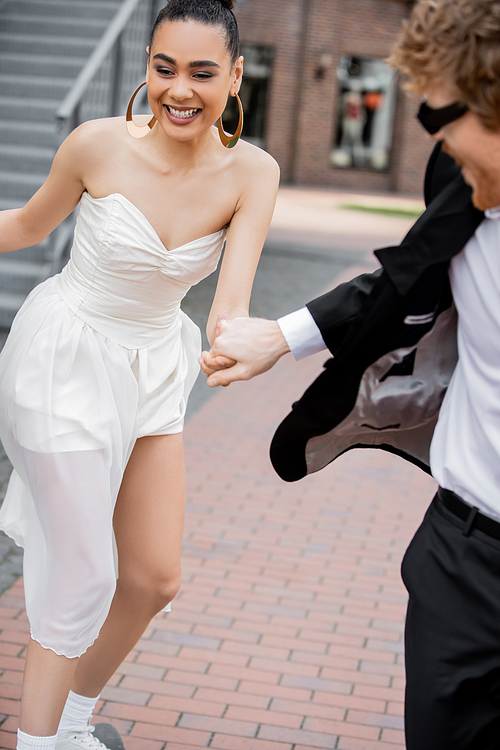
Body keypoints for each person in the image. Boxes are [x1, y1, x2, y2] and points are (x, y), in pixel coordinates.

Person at [201, 1, 500, 746]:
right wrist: (279, 336)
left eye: (441, 117)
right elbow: (398, 278)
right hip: (462, 558)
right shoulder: (465, 182)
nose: (432, 137)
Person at [0, 1, 279, 748]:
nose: (179, 90)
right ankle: (37, 745)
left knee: (153, 578)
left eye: (201, 72)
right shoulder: (96, 145)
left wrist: (238, 345)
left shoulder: (254, 172)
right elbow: (27, 227)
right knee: (84, 571)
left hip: (156, 364)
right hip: (64, 354)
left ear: (236, 75)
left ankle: (76, 725)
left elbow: (232, 304)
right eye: (163, 68)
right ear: (146, 66)